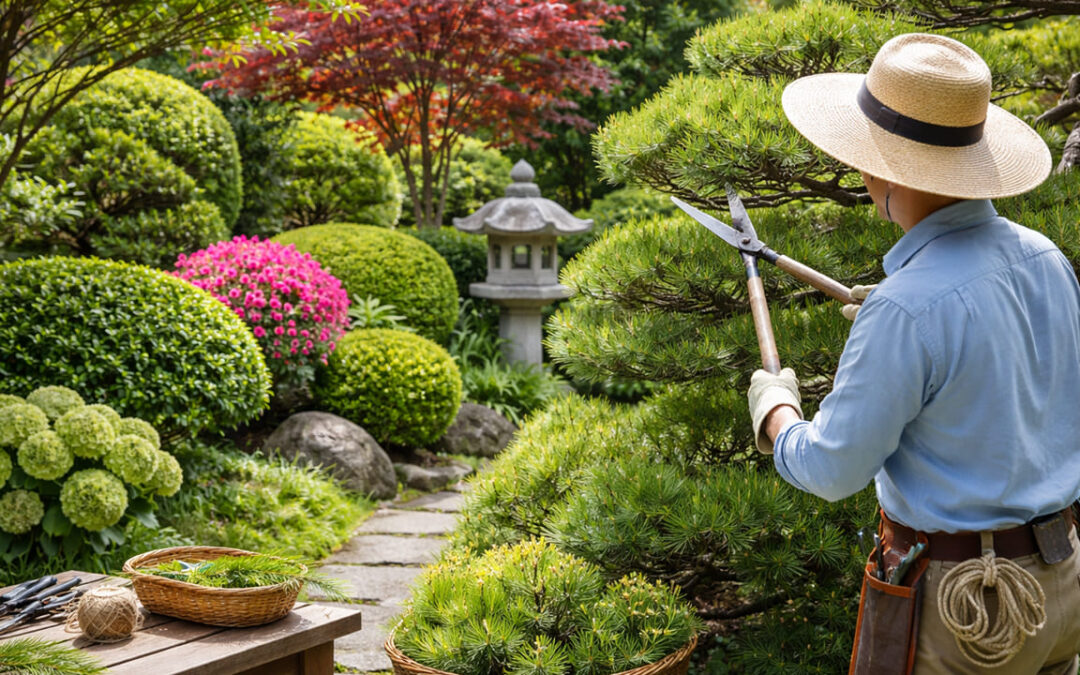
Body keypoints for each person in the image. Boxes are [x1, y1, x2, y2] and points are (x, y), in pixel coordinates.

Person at [746, 33, 1080, 674]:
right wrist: (912, 322)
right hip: (1062, 583)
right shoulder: (1046, 258)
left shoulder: (905, 310)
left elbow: (832, 469)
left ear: (881, 170)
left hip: (973, 608)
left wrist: (777, 412)